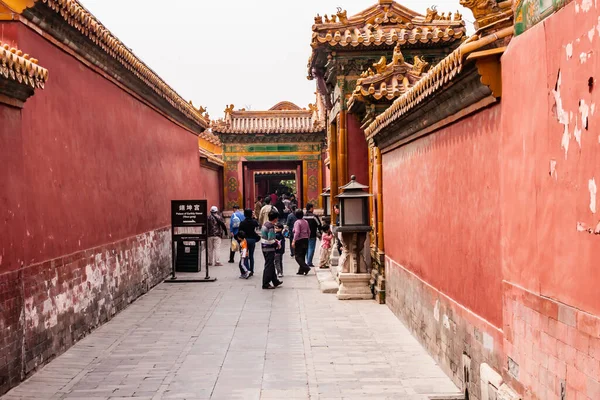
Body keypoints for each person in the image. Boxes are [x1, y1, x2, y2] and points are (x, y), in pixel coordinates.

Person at [261, 210, 283, 289]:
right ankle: (265, 283)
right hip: (268, 247)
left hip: (264, 245)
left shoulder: (265, 224)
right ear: (275, 219)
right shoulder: (270, 227)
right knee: (269, 265)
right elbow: (270, 239)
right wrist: (277, 243)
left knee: (270, 264)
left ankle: (275, 281)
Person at [238, 208, 260, 276]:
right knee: (251, 255)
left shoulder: (242, 223)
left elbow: (240, 232)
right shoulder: (254, 222)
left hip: (245, 240)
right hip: (252, 239)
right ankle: (252, 270)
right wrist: (254, 217)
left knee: (245, 256)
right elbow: (257, 225)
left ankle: (247, 270)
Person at [292, 209, 311, 276]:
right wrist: (307, 237)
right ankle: (301, 270)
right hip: (305, 239)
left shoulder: (297, 222)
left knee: (297, 256)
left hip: (299, 240)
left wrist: (294, 240)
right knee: (302, 255)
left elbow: (297, 232)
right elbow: (309, 231)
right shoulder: (305, 221)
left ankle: (306, 267)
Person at [303, 203, 322, 268]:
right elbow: (319, 225)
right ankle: (309, 262)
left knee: (306, 248)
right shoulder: (314, 216)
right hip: (312, 234)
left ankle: (307, 260)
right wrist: (321, 233)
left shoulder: (303, 216)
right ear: (311, 208)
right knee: (311, 248)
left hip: (304, 235)